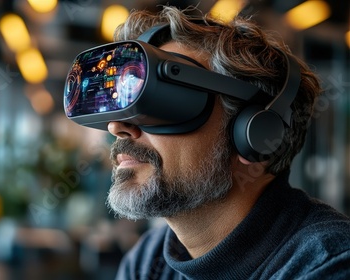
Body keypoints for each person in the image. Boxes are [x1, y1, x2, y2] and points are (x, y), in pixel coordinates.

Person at [101, 6, 350, 280]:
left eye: (164, 101)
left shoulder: (329, 265)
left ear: (255, 134)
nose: (117, 127)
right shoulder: (149, 261)